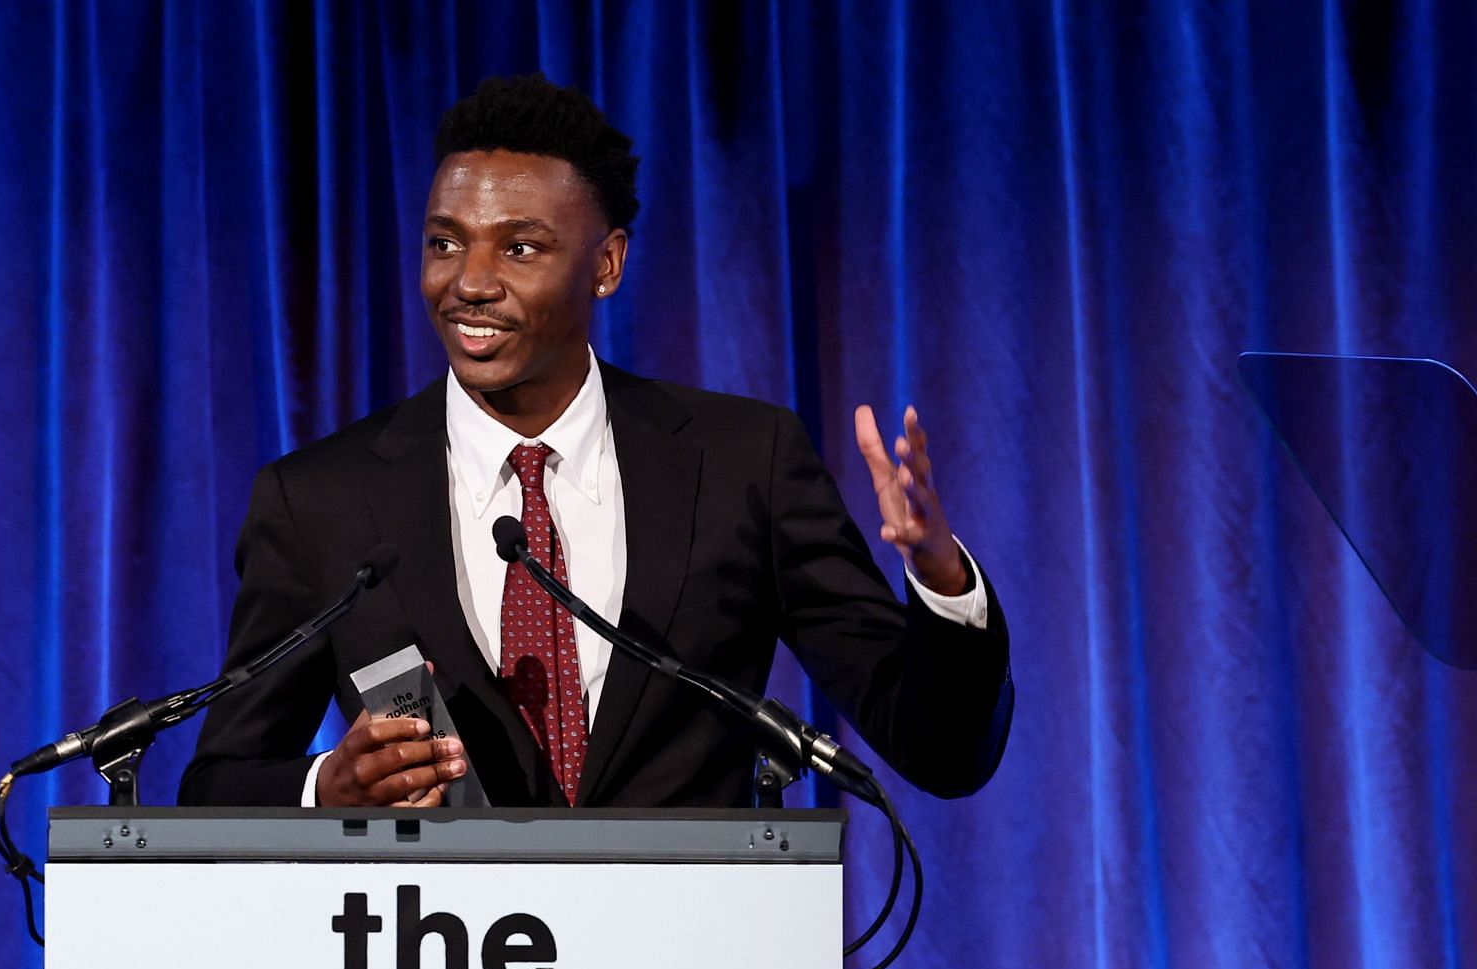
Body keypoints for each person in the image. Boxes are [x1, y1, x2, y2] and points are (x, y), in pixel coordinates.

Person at [181, 74, 1012, 811]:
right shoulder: (319, 501)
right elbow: (218, 782)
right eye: (444, 242)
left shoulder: (740, 464)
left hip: (690, 966)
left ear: (606, 264)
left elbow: (938, 751)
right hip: (445, 966)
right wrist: (327, 784)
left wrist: (941, 581)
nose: (468, 281)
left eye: (520, 247)